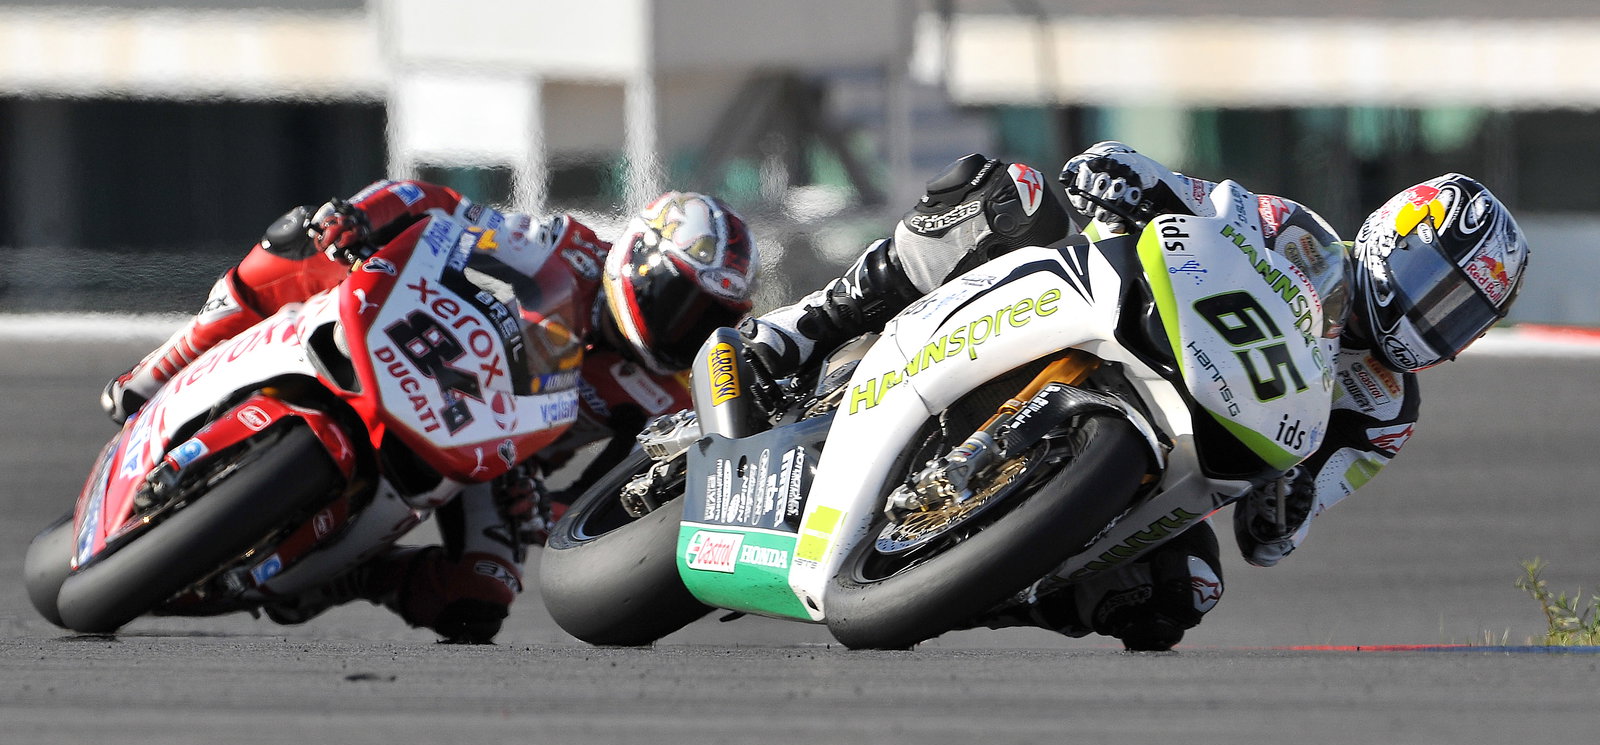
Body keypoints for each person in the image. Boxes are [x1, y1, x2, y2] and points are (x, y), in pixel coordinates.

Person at [738, 142, 1529, 650]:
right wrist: (1128, 177)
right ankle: (810, 328)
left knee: (1182, 595)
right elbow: (1189, 196)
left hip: (1177, 453)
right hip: (1131, 335)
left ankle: (960, 583)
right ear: (1391, 235)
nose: (1429, 317)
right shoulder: (1293, 231)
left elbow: (1281, 534)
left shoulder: (1386, 412)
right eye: (1433, 288)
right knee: (1007, 194)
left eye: (1457, 314)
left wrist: (1283, 507)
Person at [103, 180, 758, 642]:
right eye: (682, 301)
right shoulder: (566, 246)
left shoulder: (664, 400)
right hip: (411, 344)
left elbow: (606, 503)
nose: (689, 330)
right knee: (301, 237)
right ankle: (165, 363)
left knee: (480, 598)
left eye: (710, 320)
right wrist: (362, 217)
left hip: (492, 456)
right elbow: (443, 209)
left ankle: (350, 577)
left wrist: (545, 509)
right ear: (640, 259)